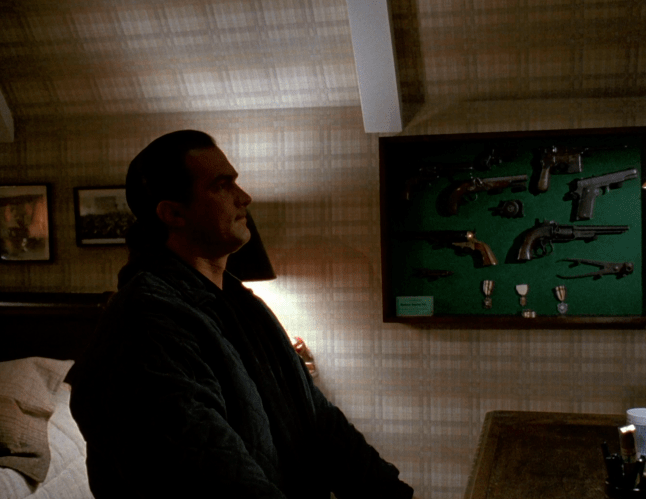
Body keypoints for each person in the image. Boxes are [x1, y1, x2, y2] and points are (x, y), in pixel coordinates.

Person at [70, 130, 413, 499]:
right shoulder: (144, 324)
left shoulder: (245, 306)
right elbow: (212, 474)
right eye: (222, 185)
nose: (244, 197)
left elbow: (320, 421)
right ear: (173, 213)